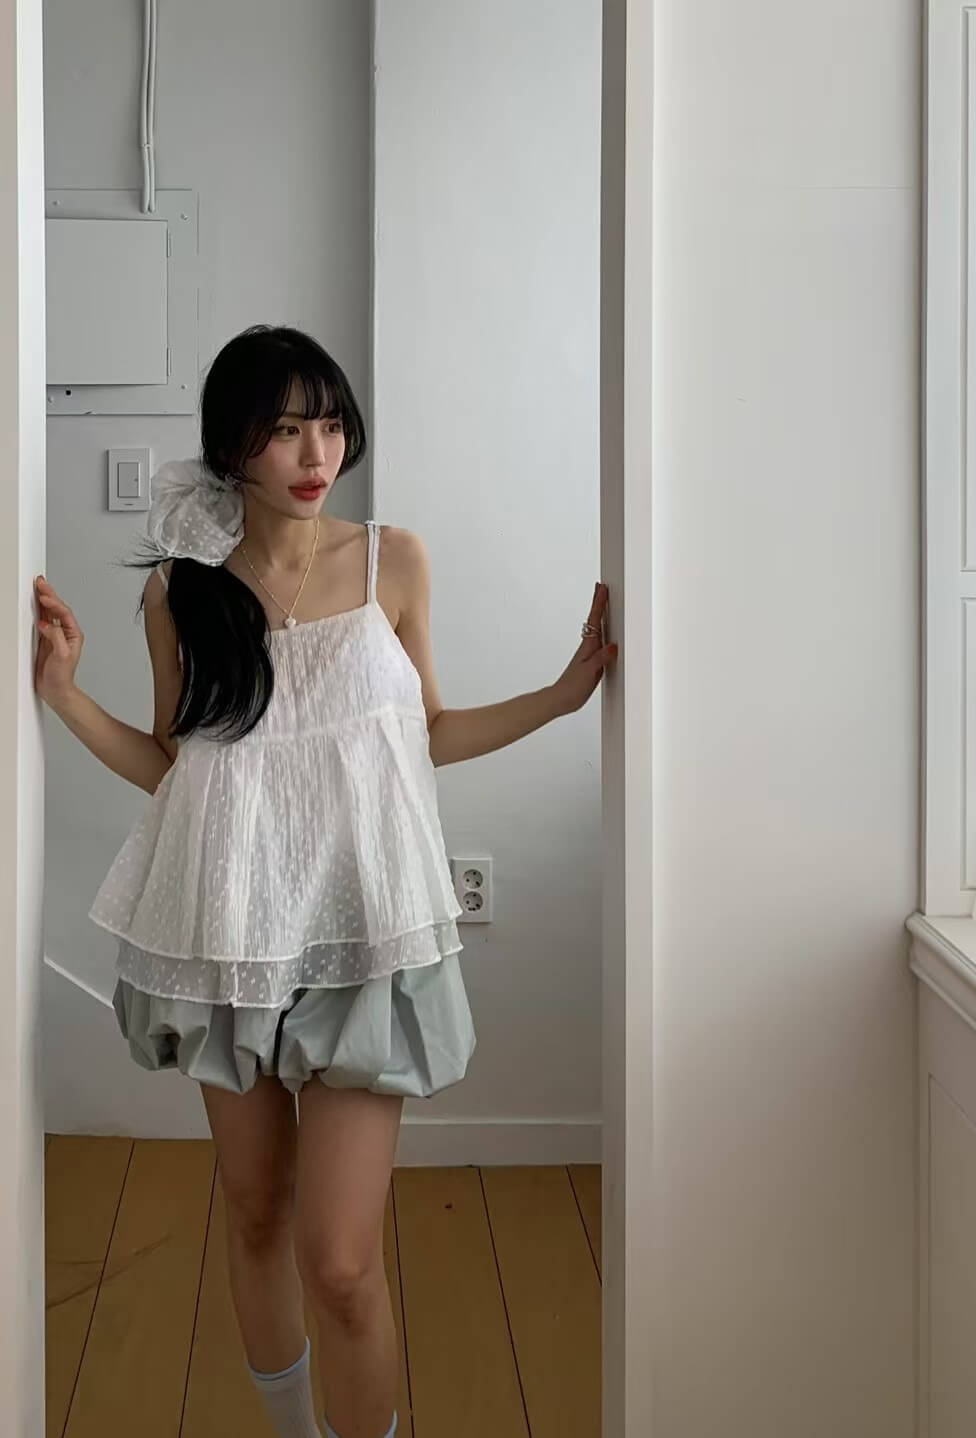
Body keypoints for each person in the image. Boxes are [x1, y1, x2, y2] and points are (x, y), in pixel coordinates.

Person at [32, 325, 616, 1438]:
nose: (317, 453)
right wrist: (63, 696)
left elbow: (426, 730)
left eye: (332, 424)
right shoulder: (182, 592)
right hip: (227, 930)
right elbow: (176, 766)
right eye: (287, 428)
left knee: (341, 1261)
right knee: (256, 1217)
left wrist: (559, 696)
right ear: (233, 446)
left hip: (364, 931)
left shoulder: (394, 560)